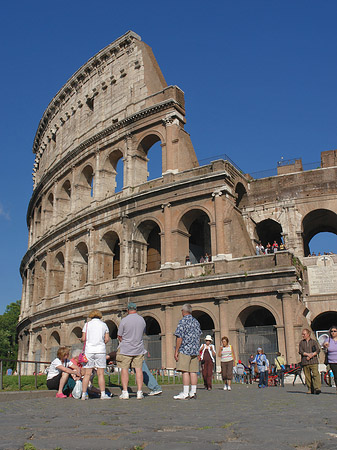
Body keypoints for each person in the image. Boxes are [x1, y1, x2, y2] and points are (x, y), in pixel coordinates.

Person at [117, 302, 146, 400]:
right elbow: (143, 333)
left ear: (127, 310)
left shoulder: (124, 320)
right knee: (138, 370)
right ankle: (139, 392)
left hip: (126, 349)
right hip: (138, 348)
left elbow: (119, 335)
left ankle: (125, 392)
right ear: (136, 309)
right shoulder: (142, 320)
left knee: (124, 370)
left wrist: (124, 341)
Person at [81, 309, 111, 400]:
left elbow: (83, 338)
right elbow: (107, 339)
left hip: (89, 350)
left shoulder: (87, 325)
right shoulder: (104, 325)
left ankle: (84, 394)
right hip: (100, 350)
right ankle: (102, 394)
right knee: (100, 373)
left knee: (87, 374)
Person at [173, 303, 202, 399]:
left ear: (183, 311)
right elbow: (199, 336)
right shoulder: (196, 322)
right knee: (193, 372)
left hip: (185, 349)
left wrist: (176, 350)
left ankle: (185, 392)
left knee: (185, 371)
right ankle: (193, 392)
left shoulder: (182, 322)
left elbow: (179, 337)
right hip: (194, 349)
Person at [299, 328, 321, 395]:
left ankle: (317, 388)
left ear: (308, 334)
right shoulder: (301, 343)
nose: (303, 335)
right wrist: (307, 354)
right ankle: (310, 388)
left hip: (313, 361)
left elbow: (317, 350)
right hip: (305, 361)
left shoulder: (313, 342)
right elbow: (301, 351)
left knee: (315, 374)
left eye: (304, 334)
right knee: (307, 376)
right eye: (302, 334)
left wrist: (312, 355)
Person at [323, 325, 337, 394]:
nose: (333, 332)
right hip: (332, 361)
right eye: (332, 331)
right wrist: (325, 345)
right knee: (336, 375)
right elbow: (324, 344)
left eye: (335, 331)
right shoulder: (328, 339)